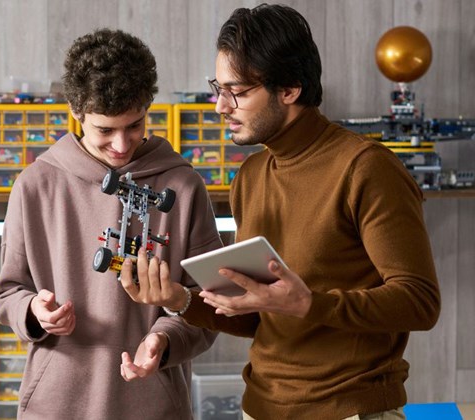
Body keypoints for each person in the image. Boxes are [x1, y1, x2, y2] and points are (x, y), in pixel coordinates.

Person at [120, 4, 441, 419]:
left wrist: (309, 304)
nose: (221, 106)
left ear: (290, 89)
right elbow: (256, 315)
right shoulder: (251, 175)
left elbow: (420, 303)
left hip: (349, 409)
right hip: (262, 407)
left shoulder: (366, 168)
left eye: (237, 91)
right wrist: (180, 299)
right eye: (218, 87)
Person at [0, 28, 223, 419]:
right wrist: (34, 310)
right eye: (105, 130)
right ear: (76, 111)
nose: (121, 144)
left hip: (154, 404)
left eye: (134, 125)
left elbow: (210, 303)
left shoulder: (183, 187)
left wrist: (164, 340)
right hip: (57, 405)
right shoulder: (35, 186)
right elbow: (9, 292)